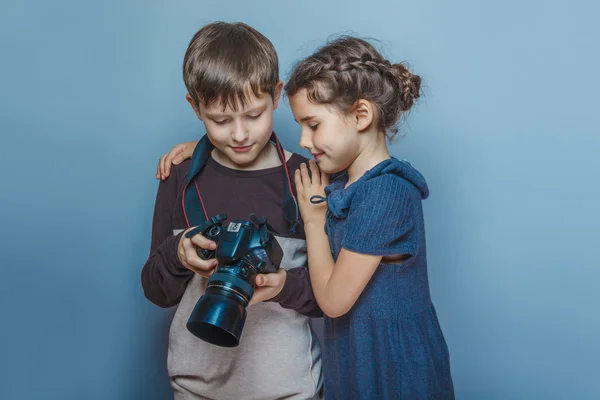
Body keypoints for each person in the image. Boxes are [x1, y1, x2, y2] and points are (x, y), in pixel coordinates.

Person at [142, 22, 322, 400]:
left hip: (289, 388)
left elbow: (331, 295)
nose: (239, 135)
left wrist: (283, 286)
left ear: (276, 96)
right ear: (195, 107)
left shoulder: (308, 179)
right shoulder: (180, 177)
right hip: (196, 388)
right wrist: (179, 254)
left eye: (253, 116)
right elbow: (157, 291)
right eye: (220, 121)